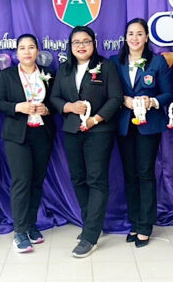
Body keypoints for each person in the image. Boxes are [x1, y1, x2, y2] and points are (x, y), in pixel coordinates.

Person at [50, 26, 123, 258]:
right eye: (76, 42)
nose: (81, 46)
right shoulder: (64, 68)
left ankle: (90, 236)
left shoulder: (106, 66)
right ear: (70, 46)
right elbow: (54, 97)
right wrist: (68, 107)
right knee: (78, 178)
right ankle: (91, 223)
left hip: (99, 131)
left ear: (94, 43)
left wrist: (95, 120)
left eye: (86, 41)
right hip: (72, 130)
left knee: (96, 180)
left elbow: (115, 98)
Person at [109, 19, 173, 247]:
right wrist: (123, 100)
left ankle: (146, 225)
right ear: (125, 37)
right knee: (129, 174)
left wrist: (152, 101)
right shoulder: (115, 62)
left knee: (145, 173)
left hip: (149, 125)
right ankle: (134, 222)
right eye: (130, 33)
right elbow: (110, 91)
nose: (134, 38)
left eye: (139, 33)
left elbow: (168, 93)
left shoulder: (157, 62)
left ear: (146, 37)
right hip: (124, 125)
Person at [0, 34, 55, 253]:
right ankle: (19, 231)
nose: (27, 52)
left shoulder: (48, 74)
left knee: (37, 182)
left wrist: (47, 109)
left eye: (31, 47)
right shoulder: (7, 75)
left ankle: (30, 225)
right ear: (16, 53)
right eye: (22, 48)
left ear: (37, 51)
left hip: (42, 134)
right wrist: (17, 107)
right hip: (17, 135)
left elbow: (55, 101)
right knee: (21, 181)